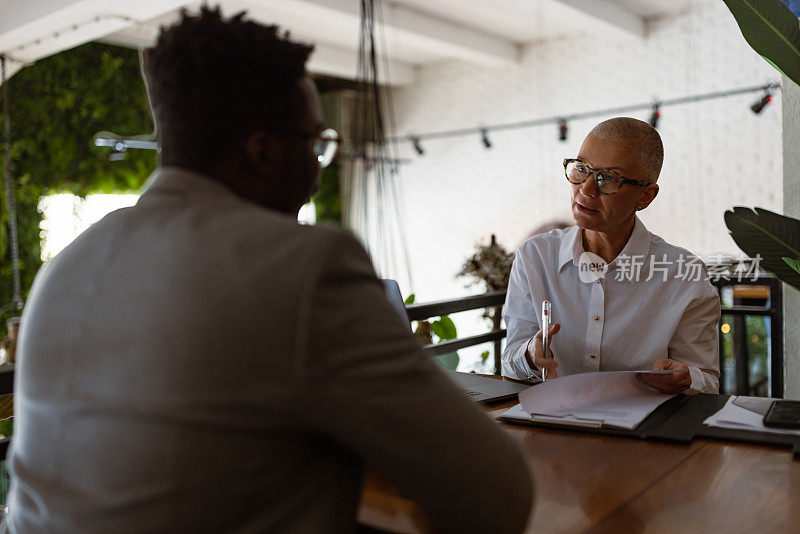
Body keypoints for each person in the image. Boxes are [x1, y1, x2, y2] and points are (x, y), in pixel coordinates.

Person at [3, 7, 532, 533]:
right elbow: (498, 493)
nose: (319, 171)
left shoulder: (65, 266)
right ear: (264, 152)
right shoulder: (304, 266)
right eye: (317, 144)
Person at [502, 117, 720, 394]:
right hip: (554, 421)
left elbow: (707, 380)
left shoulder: (684, 274)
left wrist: (687, 378)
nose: (586, 189)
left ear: (645, 197)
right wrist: (530, 355)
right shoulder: (535, 257)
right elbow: (510, 362)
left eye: (608, 179)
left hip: (645, 430)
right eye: (581, 169)